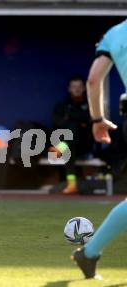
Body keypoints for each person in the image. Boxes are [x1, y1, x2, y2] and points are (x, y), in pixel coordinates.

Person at [71, 19, 127, 279]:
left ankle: (90, 252)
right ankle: (89, 252)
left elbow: (93, 80)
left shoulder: (114, 34)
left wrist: (97, 120)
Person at [51, 76, 95, 194]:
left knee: (73, 126)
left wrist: (71, 117)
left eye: (79, 87)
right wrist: (76, 119)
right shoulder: (62, 105)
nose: (76, 89)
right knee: (69, 145)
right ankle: (72, 184)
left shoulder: (90, 105)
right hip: (68, 145)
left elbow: (89, 120)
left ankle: (63, 146)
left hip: (84, 145)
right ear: (69, 89)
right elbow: (56, 122)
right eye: (74, 87)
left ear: (84, 88)